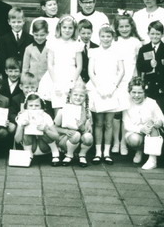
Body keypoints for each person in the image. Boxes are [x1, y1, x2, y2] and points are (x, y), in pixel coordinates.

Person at [88, 24, 124, 165]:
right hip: (98, 88)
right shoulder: (94, 51)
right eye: (103, 36)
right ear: (99, 37)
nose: (106, 39)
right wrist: (99, 88)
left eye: (108, 36)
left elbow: (121, 71)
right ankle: (97, 153)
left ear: (112, 37)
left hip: (112, 89)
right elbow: (91, 72)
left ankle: (107, 153)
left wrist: (113, 88)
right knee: (98, 123)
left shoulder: (117, 52)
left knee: (109, 123)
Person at [112, 13, 142, 155]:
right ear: (117, 28)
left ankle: (124, 142)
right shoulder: (113, 41)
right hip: (116, 82)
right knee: (115, 113)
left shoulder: (136, 42)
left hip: (130, 81)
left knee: (126, 113)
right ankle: (115, 143)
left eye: (127, 26)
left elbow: (139, 64)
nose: (124, 29)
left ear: (132, 27)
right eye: (121, 27)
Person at [123, 77, 164, 170]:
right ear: (129, 92)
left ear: (145, 92)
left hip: (151, 132)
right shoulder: (127, 103)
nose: (136, 95)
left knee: (152, 122)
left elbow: (163, 118)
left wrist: (160, 122)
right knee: (134, 139)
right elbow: (127, 125)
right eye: (133, 92)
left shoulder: (151, 102)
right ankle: (139, 150)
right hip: (136, 132)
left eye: (140, 92)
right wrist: (140, 129)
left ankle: (152, 160)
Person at [43, 15, 83, 111]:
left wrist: (73, 82)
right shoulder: (53, 42)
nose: (67, 30)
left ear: (74, 29)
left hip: (71, 75)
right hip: (55, 75)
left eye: (70, 28)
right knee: (58, 105)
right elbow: (50, 64)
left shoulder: (77, 44)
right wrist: (56, 82)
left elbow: (79, 66)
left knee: (71, 107)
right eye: (64, 27)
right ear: (59, 28)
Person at [136, 21, 164, 111]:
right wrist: (149, 64)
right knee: (149, 111)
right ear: (148, 34)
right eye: (152, 33)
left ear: (163, 34)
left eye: (158, 34)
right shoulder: (144, 49)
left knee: (163, 111)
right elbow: (140, 66)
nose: (155, 36)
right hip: (149, 88)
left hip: (163, 88)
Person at [14, 92, 60, 166]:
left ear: (41, 106)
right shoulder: (23, 116)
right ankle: (29, 156)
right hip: (30, 147)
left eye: (37, 105)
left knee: (42, 129)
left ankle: (55, 153)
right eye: (31, 105)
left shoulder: (46, 116)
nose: (34, 108)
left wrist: (46, 130)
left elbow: (57, 137)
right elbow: (17, 140)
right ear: (26, 106)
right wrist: (22, 126)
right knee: (27, 131)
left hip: (45, 147)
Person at [54, 82, 93, 167]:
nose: (78, 98)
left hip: (79, 141)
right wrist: (65, 130)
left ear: (85, 97)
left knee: (88, 137)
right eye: (75, 95)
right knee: (76, 135)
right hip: (65, 139)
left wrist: (82, 127)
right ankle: (69, 155)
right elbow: (54, 127)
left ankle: (82, 155)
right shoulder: (63, 110)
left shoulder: (87, 112)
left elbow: (89, 132)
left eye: (81, 96)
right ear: (70, 95)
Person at [0, 7, 33, 74]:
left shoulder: (30, 39)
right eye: (13, 22)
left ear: (23, 21)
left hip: (25, 75)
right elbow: (2, 61)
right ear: (9, 22)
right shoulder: (3, 40)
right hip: (9, 75)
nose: (16, 24)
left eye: (19, 22)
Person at [23, 19, 50, 84]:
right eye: (36, 35)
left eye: (42, 35)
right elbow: (25, 68)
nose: (39, 38)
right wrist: (24, 81)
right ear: (32, 33)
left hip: (47, 82)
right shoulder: (28, 48)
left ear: (47, 33)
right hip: (32, 83)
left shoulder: (50, 48)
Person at [77, 19, 99, 84]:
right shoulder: (75, 47)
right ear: (78, 32)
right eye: (83, 33)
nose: (86, 36)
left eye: (88, 33)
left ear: (92, 32)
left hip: (91, 82)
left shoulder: (96, 47)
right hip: (78, 81)